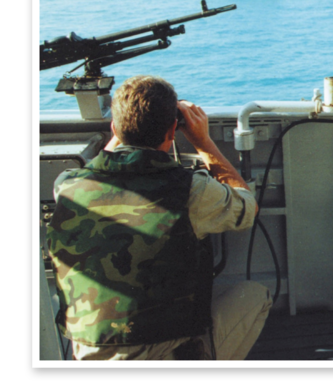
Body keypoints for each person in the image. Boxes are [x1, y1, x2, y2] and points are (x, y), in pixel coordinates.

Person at [47, 75, 272, 360]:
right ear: (172, 132)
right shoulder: (191, 190)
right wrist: (203, 142)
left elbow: (96, 169)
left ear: (114, 127)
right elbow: (248, 208)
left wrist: (124, 130)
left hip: (88, 355)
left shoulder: (67, 185)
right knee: (255, 295)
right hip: (161, 355)